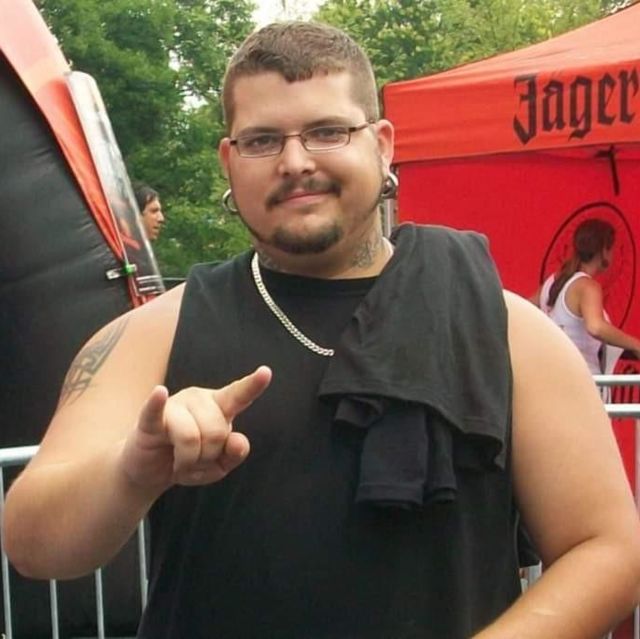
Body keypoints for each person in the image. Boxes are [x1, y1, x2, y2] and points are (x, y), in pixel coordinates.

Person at [3, 22, 640, 639]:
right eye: (261, 140)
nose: (295, 162)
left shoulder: (509, 332)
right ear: (229, 159)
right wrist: (132, 472)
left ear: (382, 144)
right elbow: (32, 544)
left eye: (327, 131)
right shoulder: (153, 335)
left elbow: (607, 547)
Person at [531, 218, 640, 378]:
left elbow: (524, 310)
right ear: (604, 250)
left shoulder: (553, 281)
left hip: (551, 375)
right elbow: (596, 327)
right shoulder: (588, 286)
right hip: (581, 379)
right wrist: (636, 345)